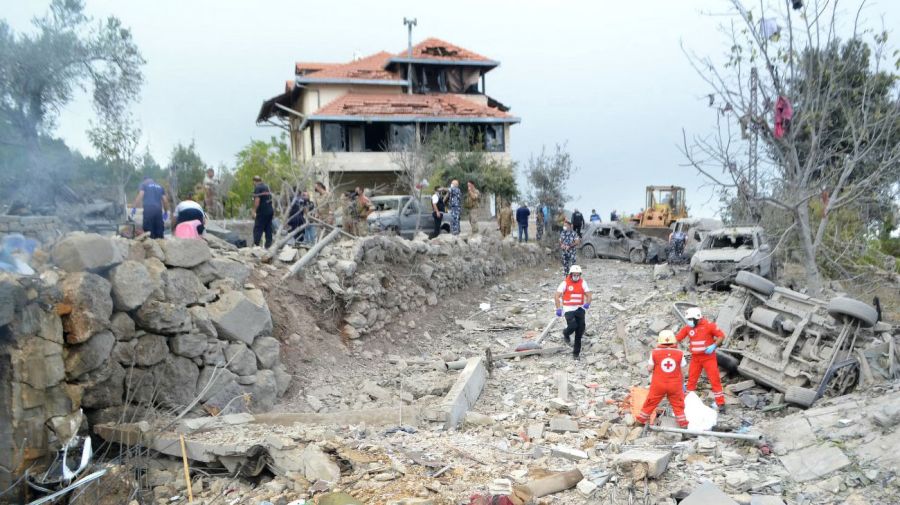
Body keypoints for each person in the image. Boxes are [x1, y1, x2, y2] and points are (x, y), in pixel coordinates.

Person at [676, 306, 727, 412]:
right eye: (688, 320)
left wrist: (714, 346)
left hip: (708, 358)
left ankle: (721, 404)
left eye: (690, 319)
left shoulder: (709, 326)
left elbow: (721, 336)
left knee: (714, 380)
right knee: (691, 380)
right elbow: (677, 338)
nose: (689, 322)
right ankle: (687, 402)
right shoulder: (688, 328)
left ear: (697, 318)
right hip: (695, 358)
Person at [637, 330, 689, 428]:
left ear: (660, 341)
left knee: (651, 402)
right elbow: (683, 371)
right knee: (678, 404)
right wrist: (681, 383)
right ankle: (683, 425)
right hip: (675, 384)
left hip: (658, 384)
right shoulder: (679, 353)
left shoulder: (655, 352)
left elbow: (650, 368)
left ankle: (640, 421)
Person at [554, 265, 592, 360]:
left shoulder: (583, 283)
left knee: (580, 330)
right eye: (574, 274)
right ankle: (566, 333)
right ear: (571, 274)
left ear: (580, 274)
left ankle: (576, 354)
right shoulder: (565, 283)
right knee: (572, 326)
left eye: (577, 274)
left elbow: (589, 295)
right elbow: (557, 296)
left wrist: (587, 303)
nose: (576, 276)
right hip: (568, 308)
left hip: (580, 308)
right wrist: (558, 308)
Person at [251, 175, 274, 248]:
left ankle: (256, 245)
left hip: (262, 212)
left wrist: (253, 211)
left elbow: (257, 201)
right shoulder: (267, 187)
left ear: (254, 181)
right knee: (268, 228)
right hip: (270, 211)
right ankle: (268, 246)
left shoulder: (258, 188)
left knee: (258, 228)